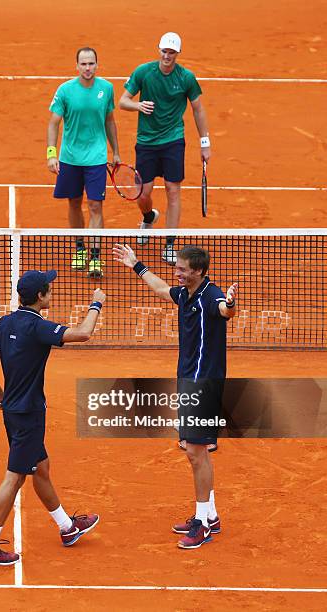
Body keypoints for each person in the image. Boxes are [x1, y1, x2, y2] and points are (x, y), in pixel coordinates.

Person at [0, 270, 105, 566]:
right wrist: (96, 304)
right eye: (49, 290)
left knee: (41, 467)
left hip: (12, 412)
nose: (52, 293)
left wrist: (0, 396)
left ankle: (66, 527)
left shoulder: (4, 322)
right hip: (30, 414)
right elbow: (83, 333)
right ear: (39, 297)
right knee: (15, 477)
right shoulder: (38, 327)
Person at [113, 243, 238, 549]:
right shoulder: (185, 294)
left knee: (196, 453)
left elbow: (225, 310)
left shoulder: (211, 296)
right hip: (188, 380)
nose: (177, 273)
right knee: (196, 451)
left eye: (182, 269)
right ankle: (211, 515)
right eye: (177, 268)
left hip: (203, 384)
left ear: (197, 271)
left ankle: (203, 523)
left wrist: (231, 304)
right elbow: (160, 288)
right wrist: (136, 265)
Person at [119, 32, 211, 266]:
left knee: (172, 190)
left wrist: (205, 142)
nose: (167, 55)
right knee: (143, 192)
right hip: (147, 141)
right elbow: (123, 101)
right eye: (164, 51)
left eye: (172, 52)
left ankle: (170, 244)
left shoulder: (186, 78)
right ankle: (148, 217)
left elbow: (198, 109)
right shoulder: (143, 72)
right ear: (158, 50)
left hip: (173, 139)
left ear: (177, 54)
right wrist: (138, 105)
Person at [47, 47, 121, 279]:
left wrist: (116, 151)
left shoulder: (106, 88)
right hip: (70, 158)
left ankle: (95, 256)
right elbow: (53, 123)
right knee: (74, 203)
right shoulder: (65, 91)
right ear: (77, 66)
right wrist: (51, 153)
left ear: (97, 65)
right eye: (84, 64)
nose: (87, 68)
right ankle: (80, 249)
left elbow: (110, 121)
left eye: (91, 64)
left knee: (96, 206)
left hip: (96, 158)